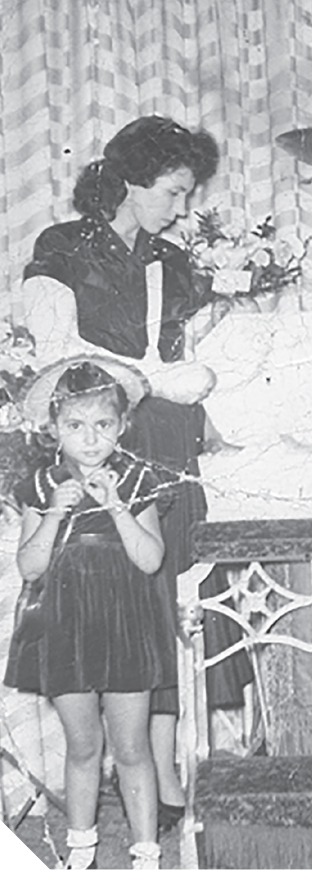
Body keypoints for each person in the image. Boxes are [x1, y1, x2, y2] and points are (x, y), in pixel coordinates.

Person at [21, 115, 253, 833]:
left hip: (164, 441)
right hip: (97, 438)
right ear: (130, 181)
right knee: (117, 599)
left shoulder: (173, 260)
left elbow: (185, 363)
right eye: (173, 192)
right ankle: (125, 767)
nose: (181, 208)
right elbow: (51, 350)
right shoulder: (61, 246)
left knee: (166, 599)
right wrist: (136, 383)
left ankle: (163, 763)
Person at [5, 359, 170, 870]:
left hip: (126, 626)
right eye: (75, 426)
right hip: (66, 627)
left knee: (131, 745)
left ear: (121, 426)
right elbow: (30, 566)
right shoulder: (42, 483)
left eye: (103, 425)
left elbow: (150, 559)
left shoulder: (137, 479)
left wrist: (117, 505)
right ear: (54, 429)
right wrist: (55, 510)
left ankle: (146, 854)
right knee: (82, 746)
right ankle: (82, 852)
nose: (91, 439)